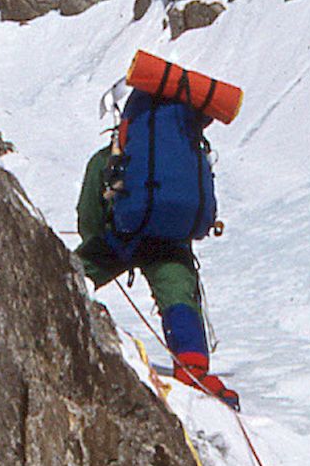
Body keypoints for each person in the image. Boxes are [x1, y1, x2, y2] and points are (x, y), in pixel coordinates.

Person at [75, 86, 239, 408]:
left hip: (121, 239)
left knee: (72, 277)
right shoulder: (186, 152)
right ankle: (193, 370)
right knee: (179, 299)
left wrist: (94, 243)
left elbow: (89, 216)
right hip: (171, 244)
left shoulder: (106, 158)